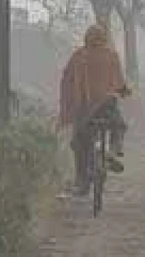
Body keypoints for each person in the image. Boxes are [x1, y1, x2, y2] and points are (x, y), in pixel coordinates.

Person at [58, 22, 133, 197]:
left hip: (84, 108)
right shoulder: (111, 56)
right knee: (119, 126)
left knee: (79, 143)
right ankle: (113, 150)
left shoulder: (79, 56)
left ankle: (82, 183)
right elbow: (119, 83)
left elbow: (66, 80)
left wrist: (66, 108)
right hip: (107, 106)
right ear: (104, 38)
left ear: (86, 38)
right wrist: (125, 91)